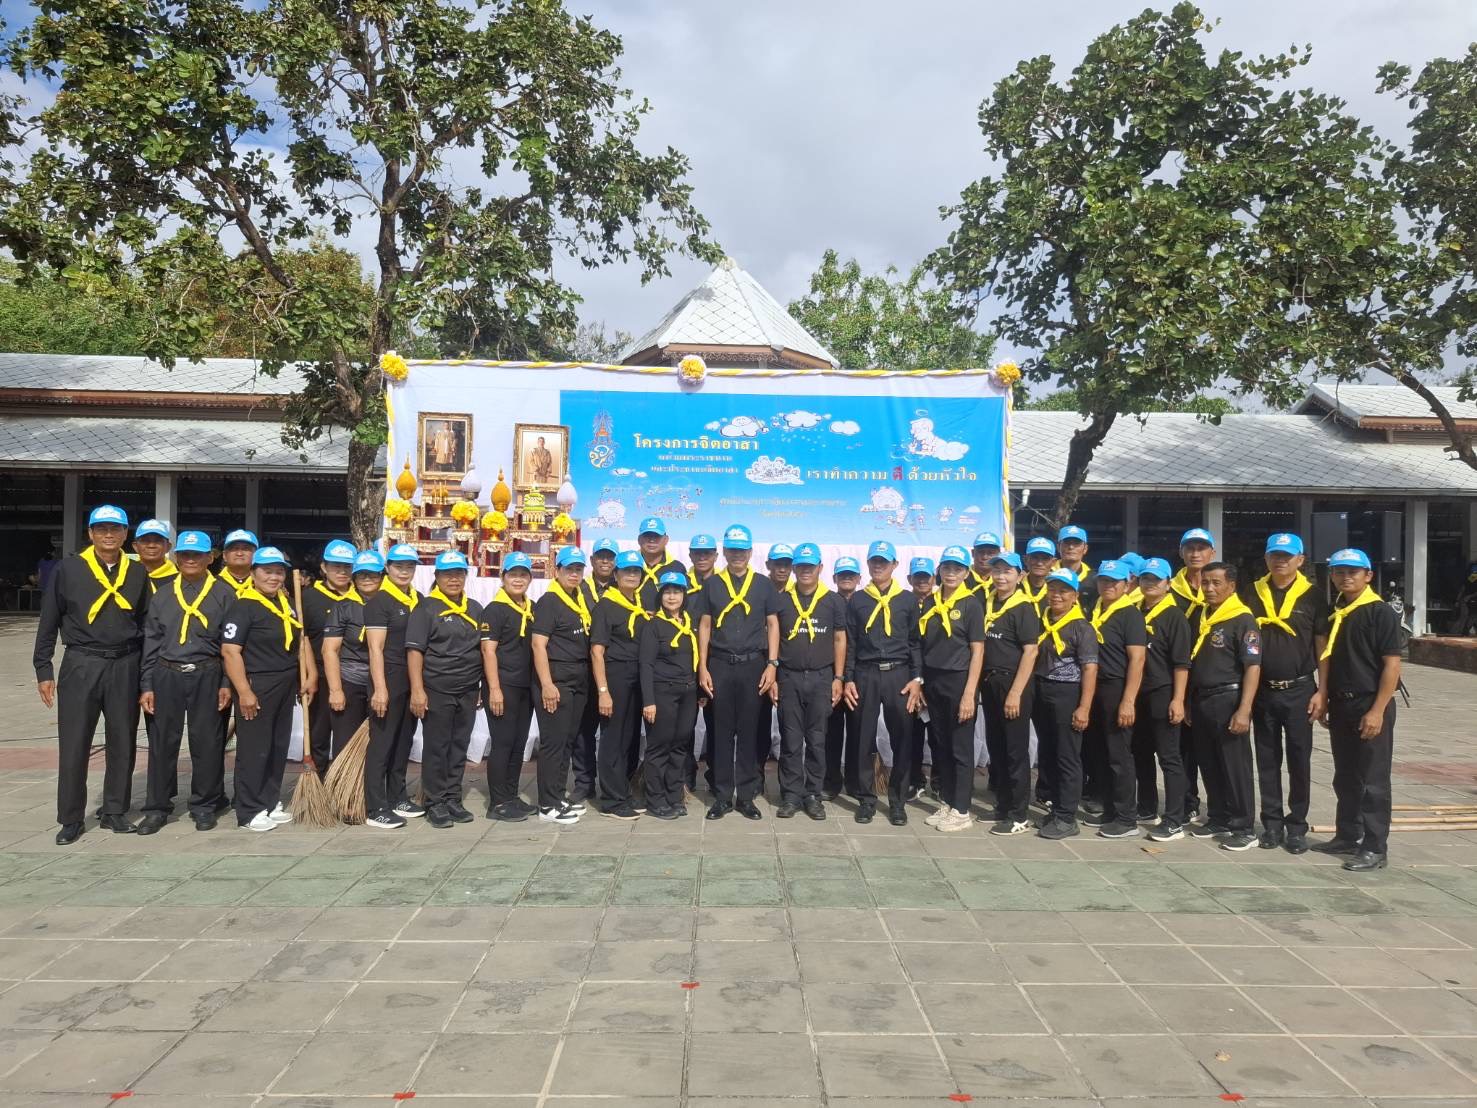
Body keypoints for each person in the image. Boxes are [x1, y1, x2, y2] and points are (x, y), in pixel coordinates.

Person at [34, 504, 150, 844]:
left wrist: (146, 675)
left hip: (125, 662)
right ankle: (71, 817)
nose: (108, 534)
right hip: (82, 662)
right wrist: (43, 667)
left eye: (115, 529)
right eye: (101, 529)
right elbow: (49, 619)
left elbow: (146, 624)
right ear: (90, 533)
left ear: (126, 534)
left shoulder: (137, 572)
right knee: (74, 742)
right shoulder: (69, 569)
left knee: (123, 740)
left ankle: (114, 810)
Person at [1311, 548, 1402, 872]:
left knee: (1373, 780)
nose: (1345, 577)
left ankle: (1375, 847)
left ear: (1368, 575)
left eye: (1353, 571)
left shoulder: (1380, 612)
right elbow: (1326, 658)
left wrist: (1377, 710)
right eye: (1339, 572)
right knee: (1346, 776)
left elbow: (1392, 665)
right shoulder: (1336, 611)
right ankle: (1348, 835)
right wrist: (1323, 694)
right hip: (1342, 703)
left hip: (1370, 702)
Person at [138, 529, 233, 833]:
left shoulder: (224, 594)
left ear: (210, 558)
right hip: (167, 673)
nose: (191, 560)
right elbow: (152, 641)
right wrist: (147, 684)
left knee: (207, 741)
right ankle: (157, 806)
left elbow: (230, 645)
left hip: (208, 672)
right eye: (185, 555)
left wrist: (227, 682)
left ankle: (205, 803)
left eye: (197, 555)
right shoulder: (163, 594)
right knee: (162, 742)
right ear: (176, 557)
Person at [221, 545, 317, 831]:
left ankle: (269, 800)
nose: (274, 577)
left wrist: (310, 674)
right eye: (267, 571)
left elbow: (300, 640)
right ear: (253, 573)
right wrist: (244, 691)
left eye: (278, 572)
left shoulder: (286, 603)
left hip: (285, 683)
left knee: (277, 746)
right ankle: (249, 810)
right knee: (255, 749)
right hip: (257, 684)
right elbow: (230, 652)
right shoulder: (243, 606)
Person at [696, 524, 782, 820]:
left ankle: (746, 796)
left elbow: (773, 624)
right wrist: (703, 666)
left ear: (750, 551)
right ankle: (722, 796)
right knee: (720, 732)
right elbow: (704, 625)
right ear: (724, 551)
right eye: (732, 550)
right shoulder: (712, 585)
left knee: (748, 732)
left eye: (742, 550)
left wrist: (772, 664)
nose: (737, 555)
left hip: (753, 665)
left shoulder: (763, 585)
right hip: (720, 664)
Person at [1250, 532, 1328, 854]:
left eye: (1287, 555)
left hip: (1300, 690)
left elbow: (1322, 647)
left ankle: (1296, 826)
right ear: (1266, 558)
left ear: (1300, 560)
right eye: (1275, 555)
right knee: (1267, 760)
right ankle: (1271, 824)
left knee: (1299, 760)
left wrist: (1323, 691)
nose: (1280, 560)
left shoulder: (1313, 596)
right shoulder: (1252, 593)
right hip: (1263, 691)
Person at [1188, 561, 1263, 851]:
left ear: (1231, 586)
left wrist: (1244, 709)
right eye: (1205, 582)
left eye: (1216, 583)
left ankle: (1244, 826)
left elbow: (1252, 666)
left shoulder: (1242, 619)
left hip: (1229, 698)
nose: (1209, 588)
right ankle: (1218, 817)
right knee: (1209, 761)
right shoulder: (1203, 615)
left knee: (1235, 765)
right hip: (1202, 698)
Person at [406, 550, 484, 829]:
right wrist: (417, 690)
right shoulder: (426, 609)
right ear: (437, 576)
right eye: (447, 574)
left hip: (468, 688)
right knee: (437, 746)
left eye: (458, 573)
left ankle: (453, 797)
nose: (454, 579)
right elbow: (415, 652)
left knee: (459, 745)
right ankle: (434, 801)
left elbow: (481, 649)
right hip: (437, 688)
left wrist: (480, 685)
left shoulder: (475, 608)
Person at [774, 543, 849, 821]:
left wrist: (838, 677)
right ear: (794, 568)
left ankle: (813, 794)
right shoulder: (782, 600)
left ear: (820, 568)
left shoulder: (833, 601)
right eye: (801, 566)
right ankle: (791, 795)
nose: (806, 571)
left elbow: (840, 639)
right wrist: (774, 674)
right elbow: (773, 637)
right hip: (789, 677)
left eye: (811, 566)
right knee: (791, 740)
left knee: (817, 740)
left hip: (821, 677)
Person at [919, 547, 986, 832]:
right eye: (947, 567)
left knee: (960, 747)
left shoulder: (971, 604)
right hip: (934, 681)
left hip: (959, 680)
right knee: (941, 745)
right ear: (939, 570)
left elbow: (977, 650)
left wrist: (970, 692)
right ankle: (947, 802)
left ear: (966, 573)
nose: (951, 573)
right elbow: (923, 645)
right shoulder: (930, 602)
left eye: (957, 569)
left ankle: (961, 809)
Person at [362, 543, 425, 830]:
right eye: (399, 566)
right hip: (387, 677)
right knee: (382, 743)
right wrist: (380, 688)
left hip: (411, 679)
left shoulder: (418, 599)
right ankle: (376, 807)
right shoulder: (379, 601)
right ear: (387, 568)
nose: (404, 571)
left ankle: (398, 796)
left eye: (410, 566)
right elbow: (375, 648)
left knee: (403, 741)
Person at [1085, 559, 1148, 838]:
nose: (1108, 585)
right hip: (1094, 687)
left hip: (1116, 687)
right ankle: (1109, 810)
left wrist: (1128, 700)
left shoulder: (1130, 614)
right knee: (1100, 753)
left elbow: (1137, 659)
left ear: (1127, 584)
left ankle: (1126, 817)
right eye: (1104, 580)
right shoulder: (1096, 608)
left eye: (1114, 581)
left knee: (1119, 755)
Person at [1034, 568, 1099, 839]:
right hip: (1042, 691)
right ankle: (1055, 807)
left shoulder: (1081, 627)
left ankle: (1067, 817)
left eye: (1063, 591)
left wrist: (1084, 707)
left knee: (1067, 755)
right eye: (1052, 589)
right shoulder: (1042, 620)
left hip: (1067, 693)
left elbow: (1090, 668)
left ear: (1075, 596)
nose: (1056, 595)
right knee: (1048, 752)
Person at [980, 551, 1041, 835]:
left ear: (1020, 575)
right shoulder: (989, 601)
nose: (1001, 576)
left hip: (1013, 683)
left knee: (1016, 751)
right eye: (997, 571)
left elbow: (1031, 651)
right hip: (990, 681)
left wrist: (1016, 692)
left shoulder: (1023, 607)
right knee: (997, 747)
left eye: (1007, 571)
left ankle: (1019, 814)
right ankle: (1003, 805)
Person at [532, 545, 593, 824]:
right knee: (553, 743)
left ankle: (557, 795)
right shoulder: (549, 601)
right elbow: (538, 645)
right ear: (557, 571)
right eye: (569, 569)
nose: (574, 574)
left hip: (577, 678)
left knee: (567, 741)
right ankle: (547, 804)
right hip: (557, 679)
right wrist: (547, 684)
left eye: (578, 569)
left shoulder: (578, 598)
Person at [591, 549, 651, 820]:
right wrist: (603, 691)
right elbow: (597, 652)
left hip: (635, 679)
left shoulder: (638, 604)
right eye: (626, 571)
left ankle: (623, 792)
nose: (631, 575)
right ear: (615, 575)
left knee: (629, 739)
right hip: (615, 677)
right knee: (613, 738)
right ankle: (611, 800)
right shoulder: (606, 606)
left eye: (636, 571)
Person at [1136, 558, 1192, 842]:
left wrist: (1178, 699)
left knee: (1169, 757)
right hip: (1138, 693)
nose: (1150, 584)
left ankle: (1174, 819)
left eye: (1156, 579)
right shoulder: (1136, 610)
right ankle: (1147, 807)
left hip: (1163, 691)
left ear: (1168, 584)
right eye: (1145, 578)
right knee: (1141, 752)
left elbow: (1181, 663)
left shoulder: (1174, 616)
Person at [641, 570, 701, 819]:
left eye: (677, 592)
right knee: (659, 746)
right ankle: (655, 799)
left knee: (679, 746)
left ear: (684, 595)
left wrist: (699, 691)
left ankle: (674, 796)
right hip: (662, 692)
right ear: (660, 596)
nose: (672, 596)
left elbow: (696, 659)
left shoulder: (689, 623)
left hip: (688, 693)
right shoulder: (653, 625)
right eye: (667, 592)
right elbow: (646, 664)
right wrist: (649, 701)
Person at [483, 552, 537, 822]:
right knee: (503, 744)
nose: (518, 579)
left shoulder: (532, 607)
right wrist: (494, 689)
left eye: (523, 574)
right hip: (503, 685)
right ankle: (497, 803)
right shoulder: (495, 609)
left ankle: (511, 795)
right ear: (503, 577)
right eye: (512, 574)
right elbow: (488, 651)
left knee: (518, 743)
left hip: (525, 686)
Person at [320, 549, 383, 777]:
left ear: (382, 576)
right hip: (351, 681)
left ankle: (373, 790)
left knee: (379, 743)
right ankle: (343, 790)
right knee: (345, 742)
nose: (367, 579)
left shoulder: (389, 604)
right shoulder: (343, 607)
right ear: (354, 578)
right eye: (362, 575)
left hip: (382, 684)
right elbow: (329, 650)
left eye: (373, 574)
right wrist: (336, 690)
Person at [301, 539, 359, 779]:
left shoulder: (363, 597)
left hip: (355, 679)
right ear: (324, 567)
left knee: (350, 737)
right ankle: (318, 783)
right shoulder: (308, 598)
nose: (342, 571)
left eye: (347, 566)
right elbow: (302, 639)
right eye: (336, 566)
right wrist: (309, 675)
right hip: (321, 677)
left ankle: (344, 783)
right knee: (319, 734)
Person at [1170, 527, 1216, 822]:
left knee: (1213, 747)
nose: (1195, 553)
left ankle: (1220, 807)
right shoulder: (1170, 590)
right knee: (1182, 747)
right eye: (1190, 548)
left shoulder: (1220, 588)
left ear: (1212, 552)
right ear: (1181, 552)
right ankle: (1187, 801)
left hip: (1213, 678)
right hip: (1178, 677)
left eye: (1201, 548)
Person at [572, 537, 619, 806]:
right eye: (600, 556)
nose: (605, 561)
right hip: (585, 667)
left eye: (610, 557)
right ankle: (584, 782)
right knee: (584, 729)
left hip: (616, 668)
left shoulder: (625, 587)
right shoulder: (579, 587)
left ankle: (618, 781)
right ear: (591, 560)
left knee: (616, 730)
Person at [755, 543, 795, 783]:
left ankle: (789, 783)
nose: (782, 569)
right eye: (777, 564)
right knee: (759, 724)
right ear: (768, 564)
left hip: (789, 668)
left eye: (786, 564)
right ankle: (756, 776)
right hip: (762, 664)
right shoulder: (758, 589)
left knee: (790, 726)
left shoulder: (797, 593)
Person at [825, 554, 863, 802]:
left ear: (859, 578)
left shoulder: (866, 601)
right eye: (842, 574)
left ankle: (856, 781)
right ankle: (830, 781)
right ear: (834, 577)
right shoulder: (827, 601)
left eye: (851, 574)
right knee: (831, 731)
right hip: (833, 676)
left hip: (860, 676)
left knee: (859, 731)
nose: (846, 578)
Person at [684, 534, 719, 794]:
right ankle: (685, 777)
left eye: (707, 553)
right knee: (684, 726)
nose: (702, 557)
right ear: (690, 555)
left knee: (717, 724)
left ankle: (716, 777)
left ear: (716, 556)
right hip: (684, 665)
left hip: (715, 666)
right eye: (697, 553)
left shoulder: (724, 584)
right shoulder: (680, 584)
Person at [907, 557, 941, 800]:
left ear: (933, 578)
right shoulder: (903, 602)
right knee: (912, 734)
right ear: (909, 578)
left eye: (926, 576)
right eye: (917, 576)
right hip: (909, 677)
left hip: (936, 677)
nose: (922, 581)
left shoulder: (940, 603)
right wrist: (915, 678)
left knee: (939, 734)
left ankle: (939, 782)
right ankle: (914, 780)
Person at [635, 517, 686, 611]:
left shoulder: (678, 568)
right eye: (647, 535)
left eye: (656, 536)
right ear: (639, 539)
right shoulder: (628, 566)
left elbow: (684, 603)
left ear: (666, 539)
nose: (651, 540)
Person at [134, 519, 178, 588]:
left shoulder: (180, 576)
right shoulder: (126, 572)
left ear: (168, 547)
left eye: (158, 541)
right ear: (135, 546)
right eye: (145, 541)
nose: (151, 545)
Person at [218, 529, 259, 595]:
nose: (239, 554)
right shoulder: (212, 584)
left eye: (245, 549)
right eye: (234, 549)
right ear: (224, 555)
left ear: (256, 555)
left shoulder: (265, 585)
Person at [1057, 525, 1093, 589]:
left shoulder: (1093, 579)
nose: (1071, 547)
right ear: (1058, 547)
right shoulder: (1047, 573)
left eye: (1076, 543)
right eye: (1067, 542)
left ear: (1085, 549)